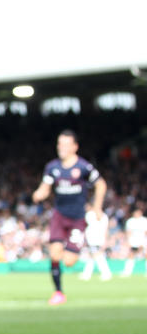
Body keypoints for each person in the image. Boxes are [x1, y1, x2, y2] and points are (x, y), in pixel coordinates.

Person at [31, 130, 107, 305]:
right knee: (54, 254)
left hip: (77, 218)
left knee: (70, 261)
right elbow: (45, 187)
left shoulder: (83, 167)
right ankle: (58, 292)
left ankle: (76, 253)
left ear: (75, 147)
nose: (61, 148)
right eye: (59, 144)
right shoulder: (52, 167)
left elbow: (101, 184)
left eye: (65, 144)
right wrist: (39, 194)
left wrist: (97, 206)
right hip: (59, 215)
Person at [79, 204, 112, 281]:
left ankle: (106, 273)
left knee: (97, 255)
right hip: (93, 239)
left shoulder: (90, 215)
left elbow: (85, 225)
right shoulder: (104, 216)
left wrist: (106, 239)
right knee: (92, 256)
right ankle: (87, 274)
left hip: (95, 239)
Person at [121, 207, 147, 277]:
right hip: (133, 241)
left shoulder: (144, 221)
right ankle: (127, 272)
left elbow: (145, 232)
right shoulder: (130, 221)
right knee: (131, 255)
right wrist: (129, 241)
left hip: (143, 240)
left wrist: (143, 242)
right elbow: (128, 232)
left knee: (145, 255)